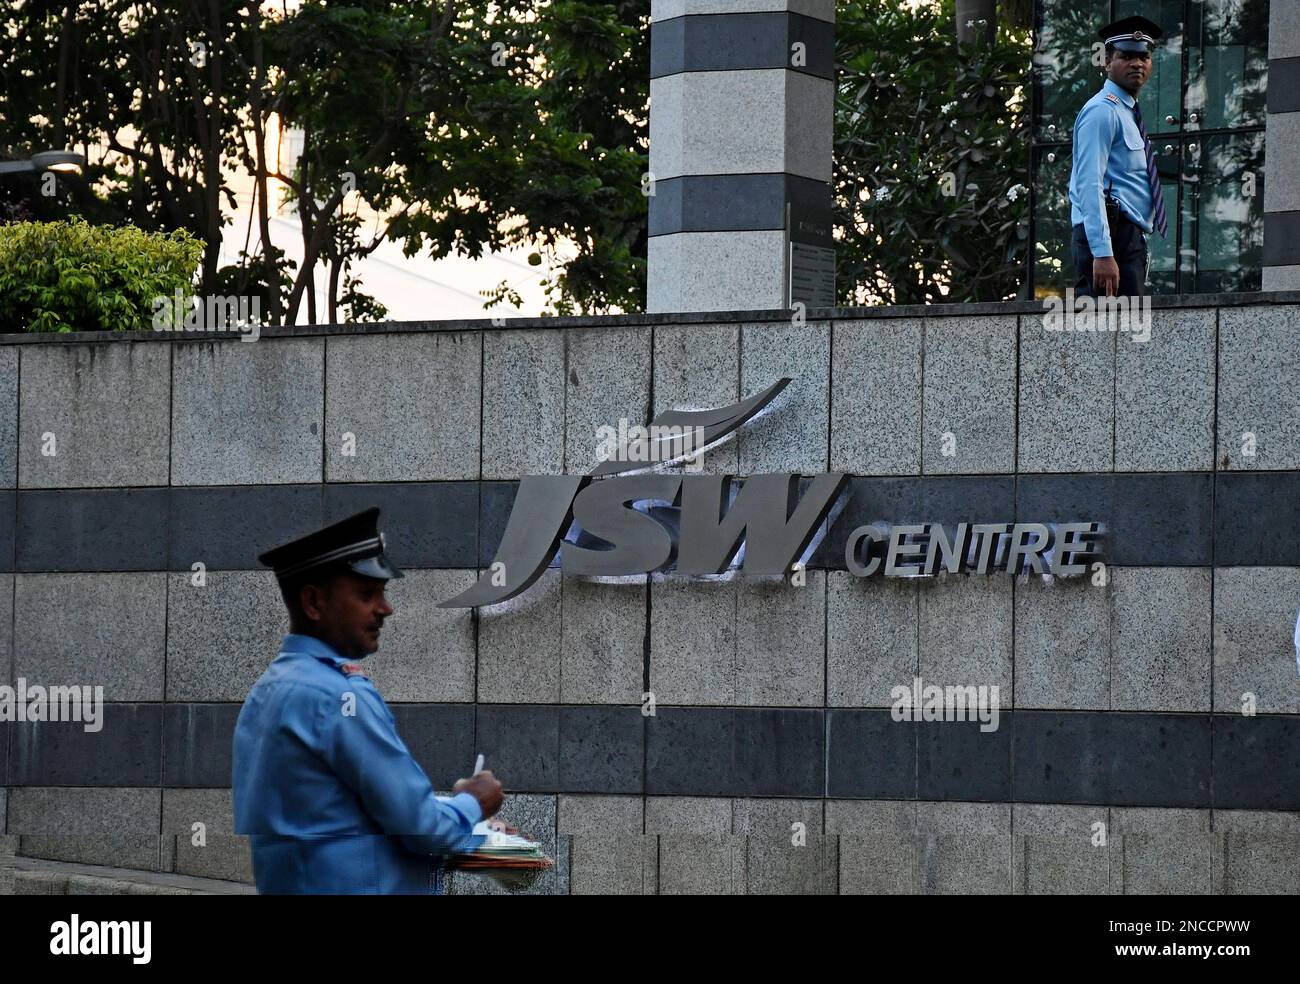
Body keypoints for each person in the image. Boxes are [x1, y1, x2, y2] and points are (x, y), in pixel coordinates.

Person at [232, 507, 506, 894]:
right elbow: (422, 828)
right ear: (313, 603)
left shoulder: (269, 690)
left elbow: (343, 822)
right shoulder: (337, 696)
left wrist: (472, 831)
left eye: (383, 592)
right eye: (366, 594)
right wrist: (474, 802)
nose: (385, 608)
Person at [1068, 15, 1167, 298]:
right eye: (1126, 56)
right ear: (1107, 62)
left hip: (1127, 237)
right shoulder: (1103, 111)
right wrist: (1102, 253)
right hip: (1111, 236)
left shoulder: (1127, 113)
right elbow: (1088, 183)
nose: (1137, 63)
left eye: (1143, 57)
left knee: (1123, 334)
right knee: (1104, 332)